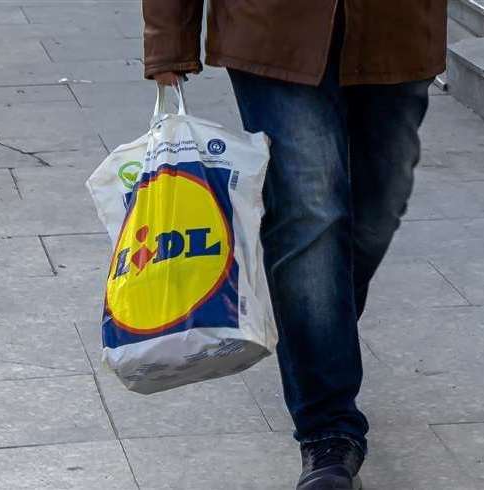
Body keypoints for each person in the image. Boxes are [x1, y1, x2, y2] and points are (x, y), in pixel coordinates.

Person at [142, 2, 447, 489]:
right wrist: (168, 42)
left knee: (375, 213)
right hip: (271, 27)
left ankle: (314, 329)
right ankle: (328, 431)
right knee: (311, 215)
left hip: (398, 29)